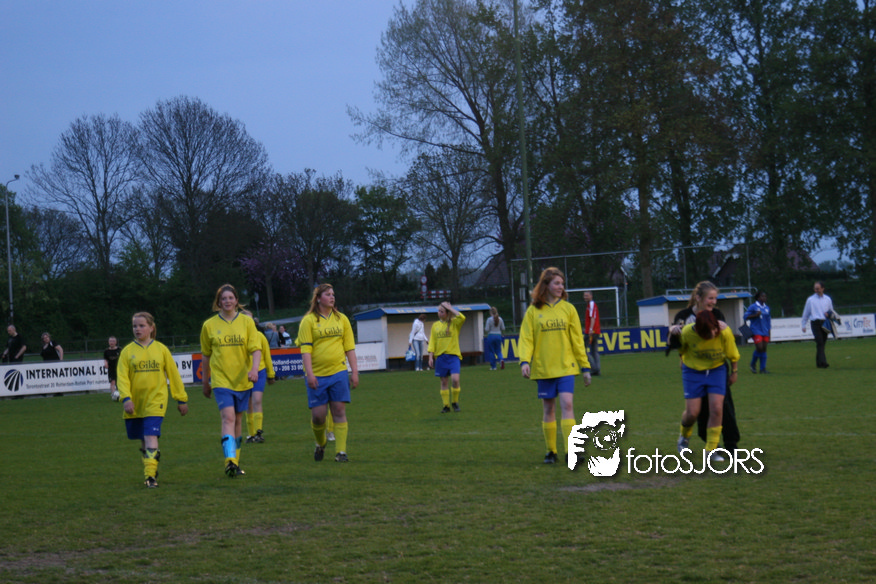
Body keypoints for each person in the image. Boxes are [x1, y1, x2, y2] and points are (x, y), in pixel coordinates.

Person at [518, 267, 592, 464]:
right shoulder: (533, 311)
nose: (561, 287)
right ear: (546, 285)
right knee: (548, 408)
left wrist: (585, 367)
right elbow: (526, 339)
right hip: (543, 368)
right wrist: (524, 361)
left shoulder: (569, 309)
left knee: (567, 404)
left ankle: (571, 452)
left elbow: (578, 341)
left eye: (562, 284)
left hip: (566, 367)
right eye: (557, 283)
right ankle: (551, 451)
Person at [116, 312, 189, 488]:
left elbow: (173, 375)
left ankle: (150, 477)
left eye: (142, 326)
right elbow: (122, 378)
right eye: (135, 326)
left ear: (151, 328)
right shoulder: (127, 352)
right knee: (143, 439)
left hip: (156, 401)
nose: (138, 329)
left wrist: (181, 399)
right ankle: (152, 464)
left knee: (150, 435)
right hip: (135, 403)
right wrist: (126, 398)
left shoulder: (161, 349)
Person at [668, 281, 741, 452]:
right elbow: (679, 343)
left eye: (715, 298)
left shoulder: (717, 314)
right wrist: (673, 333)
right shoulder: (684, 316)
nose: (713, 302)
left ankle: (730, 446)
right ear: (698, 298)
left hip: (717, 367)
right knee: (697, 411)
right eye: (710, 298)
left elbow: (724, 339)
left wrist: (734, 370)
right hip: (694, 369)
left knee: (722, 407)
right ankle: (706, 443)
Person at [200, 284, 262, 478]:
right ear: (218, 302)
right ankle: (230, 461)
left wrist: (254, 369)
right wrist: (205, 381)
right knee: (228, 417)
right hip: (221, 380)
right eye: (223, 298)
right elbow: (206, 355)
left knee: (238, 420)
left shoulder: (246, 322)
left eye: (230, 298)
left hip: (242, 379)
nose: (227, 301)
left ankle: (235, 461)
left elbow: (256, 349)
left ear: (236, 300)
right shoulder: (209, 325)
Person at [298, 283, 358, 463]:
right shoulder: (308, 321)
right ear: (318, 298)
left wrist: (354, 372)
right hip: (317, 374)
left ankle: (341, 452)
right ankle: (321, 442)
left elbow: (349, 348)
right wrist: (310, 374)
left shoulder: (342, 319)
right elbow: (305, 350)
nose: (332, 297)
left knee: (339, 410)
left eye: (333, 294)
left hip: (338, 371)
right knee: (318, 416)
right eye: (327, 294)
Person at [676, 310, 740, 462]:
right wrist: (682, 360)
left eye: (713, 330)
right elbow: (682, 349)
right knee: (692, 413)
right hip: (693, 372)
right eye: (707, 332)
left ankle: (711, 450)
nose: (711, 334)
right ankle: (684, 437)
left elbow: (732, 354)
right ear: (698, 330)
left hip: (716, 370)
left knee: (717, 408)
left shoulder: (724, 332)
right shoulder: (687, 332)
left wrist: (734, 372)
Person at [427, 301, 466, 413]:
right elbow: (432, 342)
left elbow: (462, 317)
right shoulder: (435, 325)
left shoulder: (454, 323)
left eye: (442, 311)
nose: (439, 313)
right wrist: (430, 357)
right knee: (444, 382)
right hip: (441, 358)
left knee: (455, 380)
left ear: (448, 313)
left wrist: (450, 308)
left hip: (453, 356)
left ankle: (455, 402)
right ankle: (446, 406)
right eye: (439, 311)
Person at [244, 313, 276, 444]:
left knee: (257, 400)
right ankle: (251, 434)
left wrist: (271, 374)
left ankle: (258, 431)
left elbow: (267, 355)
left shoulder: (260, 336)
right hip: (244, 374)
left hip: (259, 372)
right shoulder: (238, 337)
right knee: (248, 404)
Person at [801, 281, 835, 369]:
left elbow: (831, 310)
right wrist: (803, 324)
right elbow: (806, 313)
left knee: (822, 343)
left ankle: (819, 362)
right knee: (819, 342)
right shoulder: (810, 300)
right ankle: (823, 362)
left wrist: (829, 314)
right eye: (815, 288)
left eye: (818, 288)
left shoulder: (827, 299)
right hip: (815, 323)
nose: (816, 290)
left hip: (825, 322)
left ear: (822, 288)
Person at [744, 290, 772, 374]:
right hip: (756, 330)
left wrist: (769, 332)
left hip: (765, 330)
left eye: (765, 296)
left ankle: (762, 369)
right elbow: (745, 316)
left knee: (764, 349)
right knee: (759, 348)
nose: (764, 298)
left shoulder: (767, 308)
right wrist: (755, 315)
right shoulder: (753, 306)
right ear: (758, 298)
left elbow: (768, 321)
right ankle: (753, 364)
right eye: (762, 296)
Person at [583, 291, 601, 376]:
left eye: (587, 295)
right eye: (584, 295)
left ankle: (594, 368)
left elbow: (592, 317)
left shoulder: (591, 304)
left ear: (591, 296)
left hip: (591, 331)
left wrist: (590, 329)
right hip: (595, 331)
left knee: (582, 350)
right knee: (594, 351)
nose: (585, 297)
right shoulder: (590, 305)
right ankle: (597, 369)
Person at [484, 306, 505, 371]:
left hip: (491, 335)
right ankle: (501, 360)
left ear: (490, 313)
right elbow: (503, 328)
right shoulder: (500, 319)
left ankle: (493, 366)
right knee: (498, 350)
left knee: (491, 351)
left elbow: (487, 329)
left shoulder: (489, 319)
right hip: (498, 335)